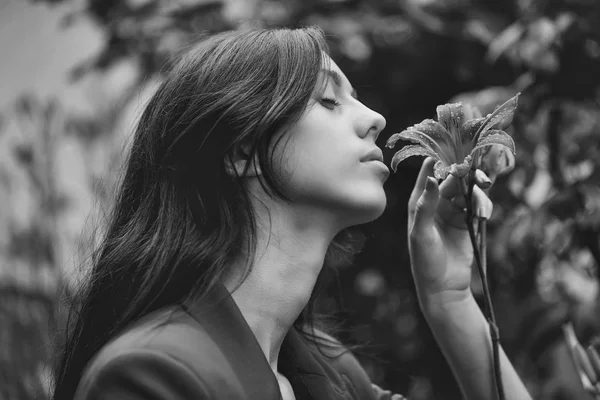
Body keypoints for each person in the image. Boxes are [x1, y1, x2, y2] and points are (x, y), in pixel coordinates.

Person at [51, 26, 533, 400]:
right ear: (241, 151)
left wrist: (449, 299)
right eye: (328, 100)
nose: (374, 118)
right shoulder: (153, 374)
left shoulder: (332, 374)